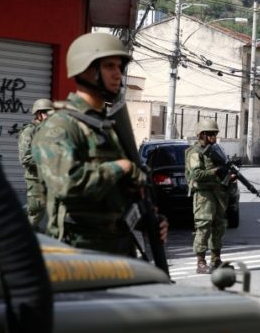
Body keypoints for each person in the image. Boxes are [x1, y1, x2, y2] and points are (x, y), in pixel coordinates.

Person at [32, 32, 166, 256]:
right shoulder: (61, 127)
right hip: (79, 257)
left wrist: (147, 218)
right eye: (109, 66)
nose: (118, 75)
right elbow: (66, 184)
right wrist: (120, 167)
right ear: (86, 70)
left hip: (120, 252)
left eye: (119, 67)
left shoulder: (108, 127)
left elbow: (117, 198)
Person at [185, 119, 234, 274]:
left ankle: (216, 260)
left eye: (215, 133)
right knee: (203, 227)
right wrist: (215, 171)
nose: (214, 137)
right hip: (204, 195)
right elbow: (196, 174)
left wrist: (228, 175)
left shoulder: (216, 150)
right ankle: (200, 262)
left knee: (218, 227)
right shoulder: (195, 152)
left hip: (218, 193)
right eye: (211, 134)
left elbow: (221, 170)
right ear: (202, 134)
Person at [18, 98, 53, 232]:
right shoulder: (29, 131)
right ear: (38, 114)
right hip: (35, 178)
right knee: (35, 211)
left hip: (47, 177)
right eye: (47, 113)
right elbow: (25, 158)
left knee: (40, 210)